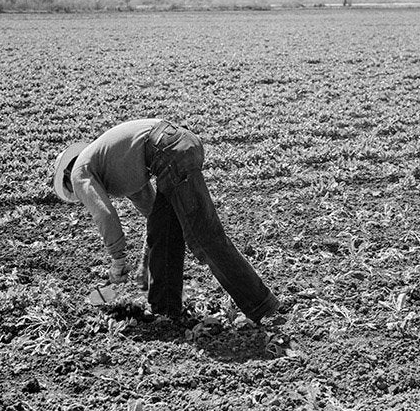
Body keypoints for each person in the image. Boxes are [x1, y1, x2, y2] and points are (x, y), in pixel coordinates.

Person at [52, 119, 280, 323]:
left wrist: (118, 260)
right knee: (165, 232)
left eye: (72, 191)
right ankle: (165, 311)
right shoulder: (111, 164)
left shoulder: (79, 172)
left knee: (204, 237)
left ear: (66, 176)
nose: (78, 194)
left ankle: (262, 305)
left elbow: (104, 214)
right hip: (175, 145)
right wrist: (145, 260)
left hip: (169, 152)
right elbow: (153, 213)